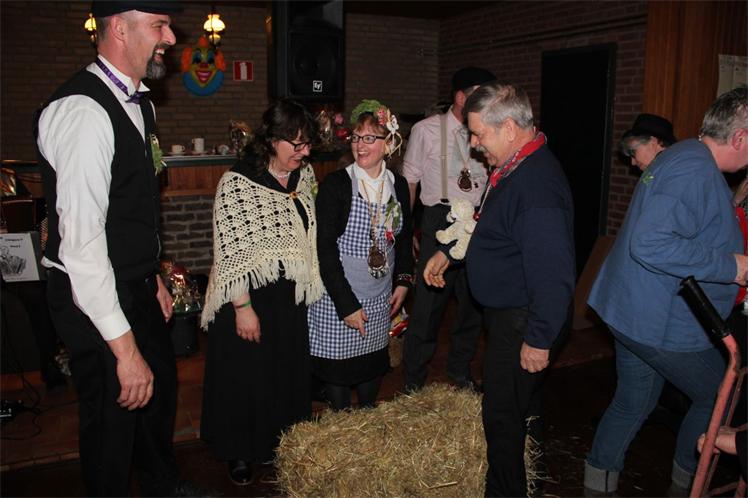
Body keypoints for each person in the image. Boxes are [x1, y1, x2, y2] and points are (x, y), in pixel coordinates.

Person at [34, 1, 203, 496]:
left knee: (158, 392)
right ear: (119, 30)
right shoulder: (84, 112)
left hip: (134, 282)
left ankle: (161, 485)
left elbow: (132, 208)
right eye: (159, 26)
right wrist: (124, 352)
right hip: (90, 289)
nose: (171, 38)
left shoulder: (140, 102)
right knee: (114, 415)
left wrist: (152, 276)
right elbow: (83, 247)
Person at [584, 85, 748, 496]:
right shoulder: (694, 169)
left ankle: (597, 483)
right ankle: (688, 484)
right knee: (718, 394)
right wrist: (733, 266)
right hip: (655, 320)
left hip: (631, 310)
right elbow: (651, 243)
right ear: (740, 137)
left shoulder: (685, 155)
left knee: (634, 400)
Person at [423, 82, 576, 497]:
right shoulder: (515, 165)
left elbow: (553, 274)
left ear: (508, 128)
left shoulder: (536, 186)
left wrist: (539, 340)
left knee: (503, 416)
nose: (474, 144)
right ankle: (529, 481)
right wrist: (451, 253)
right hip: (514, 314)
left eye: (479, 134)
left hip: (523, 319)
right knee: (522, 407)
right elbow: (494, 227)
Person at [200, 99, 323, 486]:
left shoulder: (303, 176)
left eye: (307, 144)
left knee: (281, 376)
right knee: (244, 379)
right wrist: (243, 308)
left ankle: (278, 445)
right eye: (296, 144)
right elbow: (228, 252)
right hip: (249, 298)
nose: (304, 153)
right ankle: (238, 452)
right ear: (271, 140)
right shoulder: (238, 183)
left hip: (287, 299)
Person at [308, 100, 413, 410]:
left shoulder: (398, 185)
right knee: (339, 373)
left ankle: (368, 420)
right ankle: (342, 424)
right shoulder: (337, 185)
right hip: (338, 297)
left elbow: (404, 238)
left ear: (389, 143)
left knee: (371, 366)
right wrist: (347, 305)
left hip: (378, 297)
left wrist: (404, 280)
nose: (359, 145)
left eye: (369, 138)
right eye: (356, 137)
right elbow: (324, 250)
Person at [402, 67, 495, 392]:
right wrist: (406, 231)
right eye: (480, 94)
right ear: (460, 97)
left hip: (478, 220)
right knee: (428, 306)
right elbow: (410, 181)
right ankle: (413, 381)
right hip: (439, 218)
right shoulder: (426, 129)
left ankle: (459, 369)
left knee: (473, 304)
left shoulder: (489, 131)